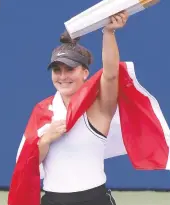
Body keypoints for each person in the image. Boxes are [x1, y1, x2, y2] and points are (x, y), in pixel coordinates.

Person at [38, 11, 128, 205]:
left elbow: (111, 75)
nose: (63, 76)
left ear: (85, 72)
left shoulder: (99, 109)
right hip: (53, 201)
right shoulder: (43, 112)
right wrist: (46, 140)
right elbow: (29, 163)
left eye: (70, 69)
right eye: (57, 70)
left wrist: (109, 33)